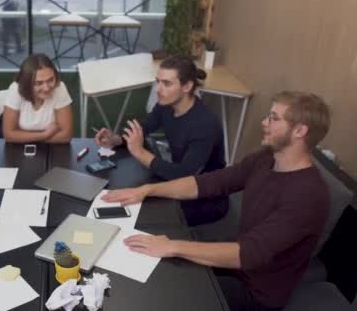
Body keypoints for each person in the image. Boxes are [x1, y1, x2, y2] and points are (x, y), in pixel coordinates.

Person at [102, 91, 331, 311]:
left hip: (258, 292)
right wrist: (147, 190)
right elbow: (209, 183)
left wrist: (171, 245)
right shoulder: (265, 159)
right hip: (237, 265)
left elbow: (248, 253)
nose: (264, 122)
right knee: (162, 268)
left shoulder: (308, 196)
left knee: (170, 293)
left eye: (273, 118)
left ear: (300, 130)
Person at [95, 54, 227, 226]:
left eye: (167, 83)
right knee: (128, 198)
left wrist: (141, 153)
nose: (158, 89)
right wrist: (116, 139)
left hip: (206, 198)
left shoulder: (205, 125)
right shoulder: (167, 105)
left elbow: (184, 176)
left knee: (139, 214)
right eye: (158, 81)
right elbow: (145, 125)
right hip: (178, 181)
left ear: (187, 86)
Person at [0, 53, 73, 143]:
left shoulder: (59, 88)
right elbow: (9, 135)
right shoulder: (15, 89)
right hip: (17, 150)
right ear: (26, 83)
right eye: (38, 83)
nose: (46, 88)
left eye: (50, 80)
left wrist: (23, 136)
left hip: (50, 150)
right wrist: (44, 135)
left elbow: (66, 136)